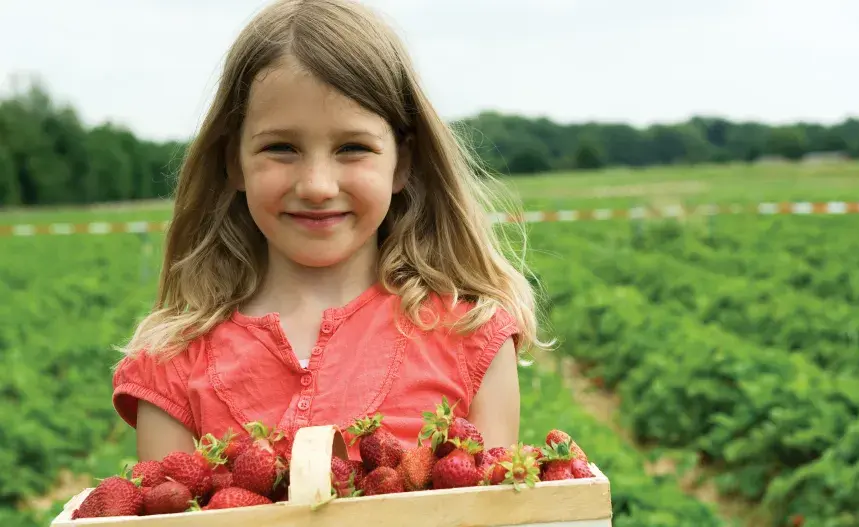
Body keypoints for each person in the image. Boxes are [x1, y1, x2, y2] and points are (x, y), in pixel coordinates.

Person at [111, 0, 550, 463]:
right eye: (281, 148)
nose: (317, 186)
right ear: (232, 162)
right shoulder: (173, 363)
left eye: (353, 148)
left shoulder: (470, 336)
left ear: (401, 163)